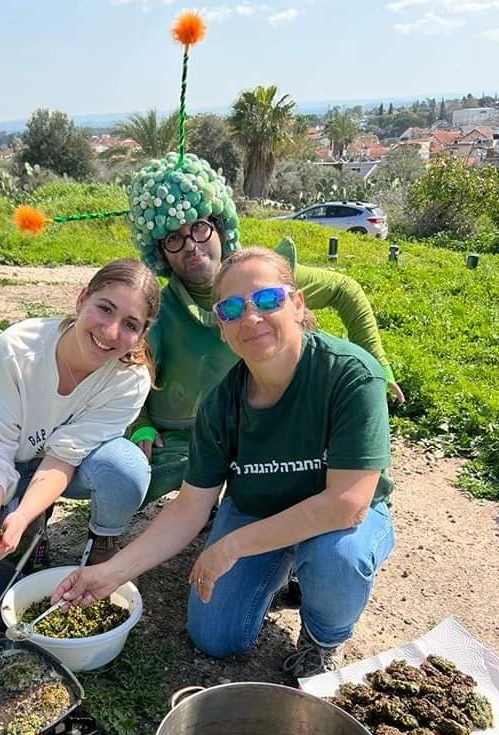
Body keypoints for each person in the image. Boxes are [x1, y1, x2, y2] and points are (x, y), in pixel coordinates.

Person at [52, 247, 395, 677]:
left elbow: (347, 504)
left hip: (338, 521)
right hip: (257, 510)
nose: (251, 318)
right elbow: (190, 507)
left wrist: (231, 546)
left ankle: (323, 638)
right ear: (221, 326)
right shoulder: (221, 403)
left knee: (338, 559)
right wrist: (111, 573)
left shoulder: (349, 374)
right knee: (216, 637)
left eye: (267, 300)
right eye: (231, 308)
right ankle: (279, 566)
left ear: (298, 304)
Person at [125, 153, 404, 508]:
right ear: (160, 252)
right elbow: (131, 367)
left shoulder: (265, 279)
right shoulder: (162, 313)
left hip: (269, 426)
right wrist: (143, 423)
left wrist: (378, 366)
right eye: (173, 239)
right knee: (136, 472)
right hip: (186, 435)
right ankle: (106, 534)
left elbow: (345, 290)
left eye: (198, 227)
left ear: (219, 224)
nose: (191, 246)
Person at [0, 258, 159, 568]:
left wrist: (23, 514)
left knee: (126, 467)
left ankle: (100, 536)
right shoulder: (18, 349)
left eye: (130, 324)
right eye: (105, 308)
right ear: (82, 299)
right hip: (4, 456)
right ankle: (12, 513)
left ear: (142, 334)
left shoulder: (129, 380)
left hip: (72, 468)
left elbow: (64, 456)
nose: (111, 331)